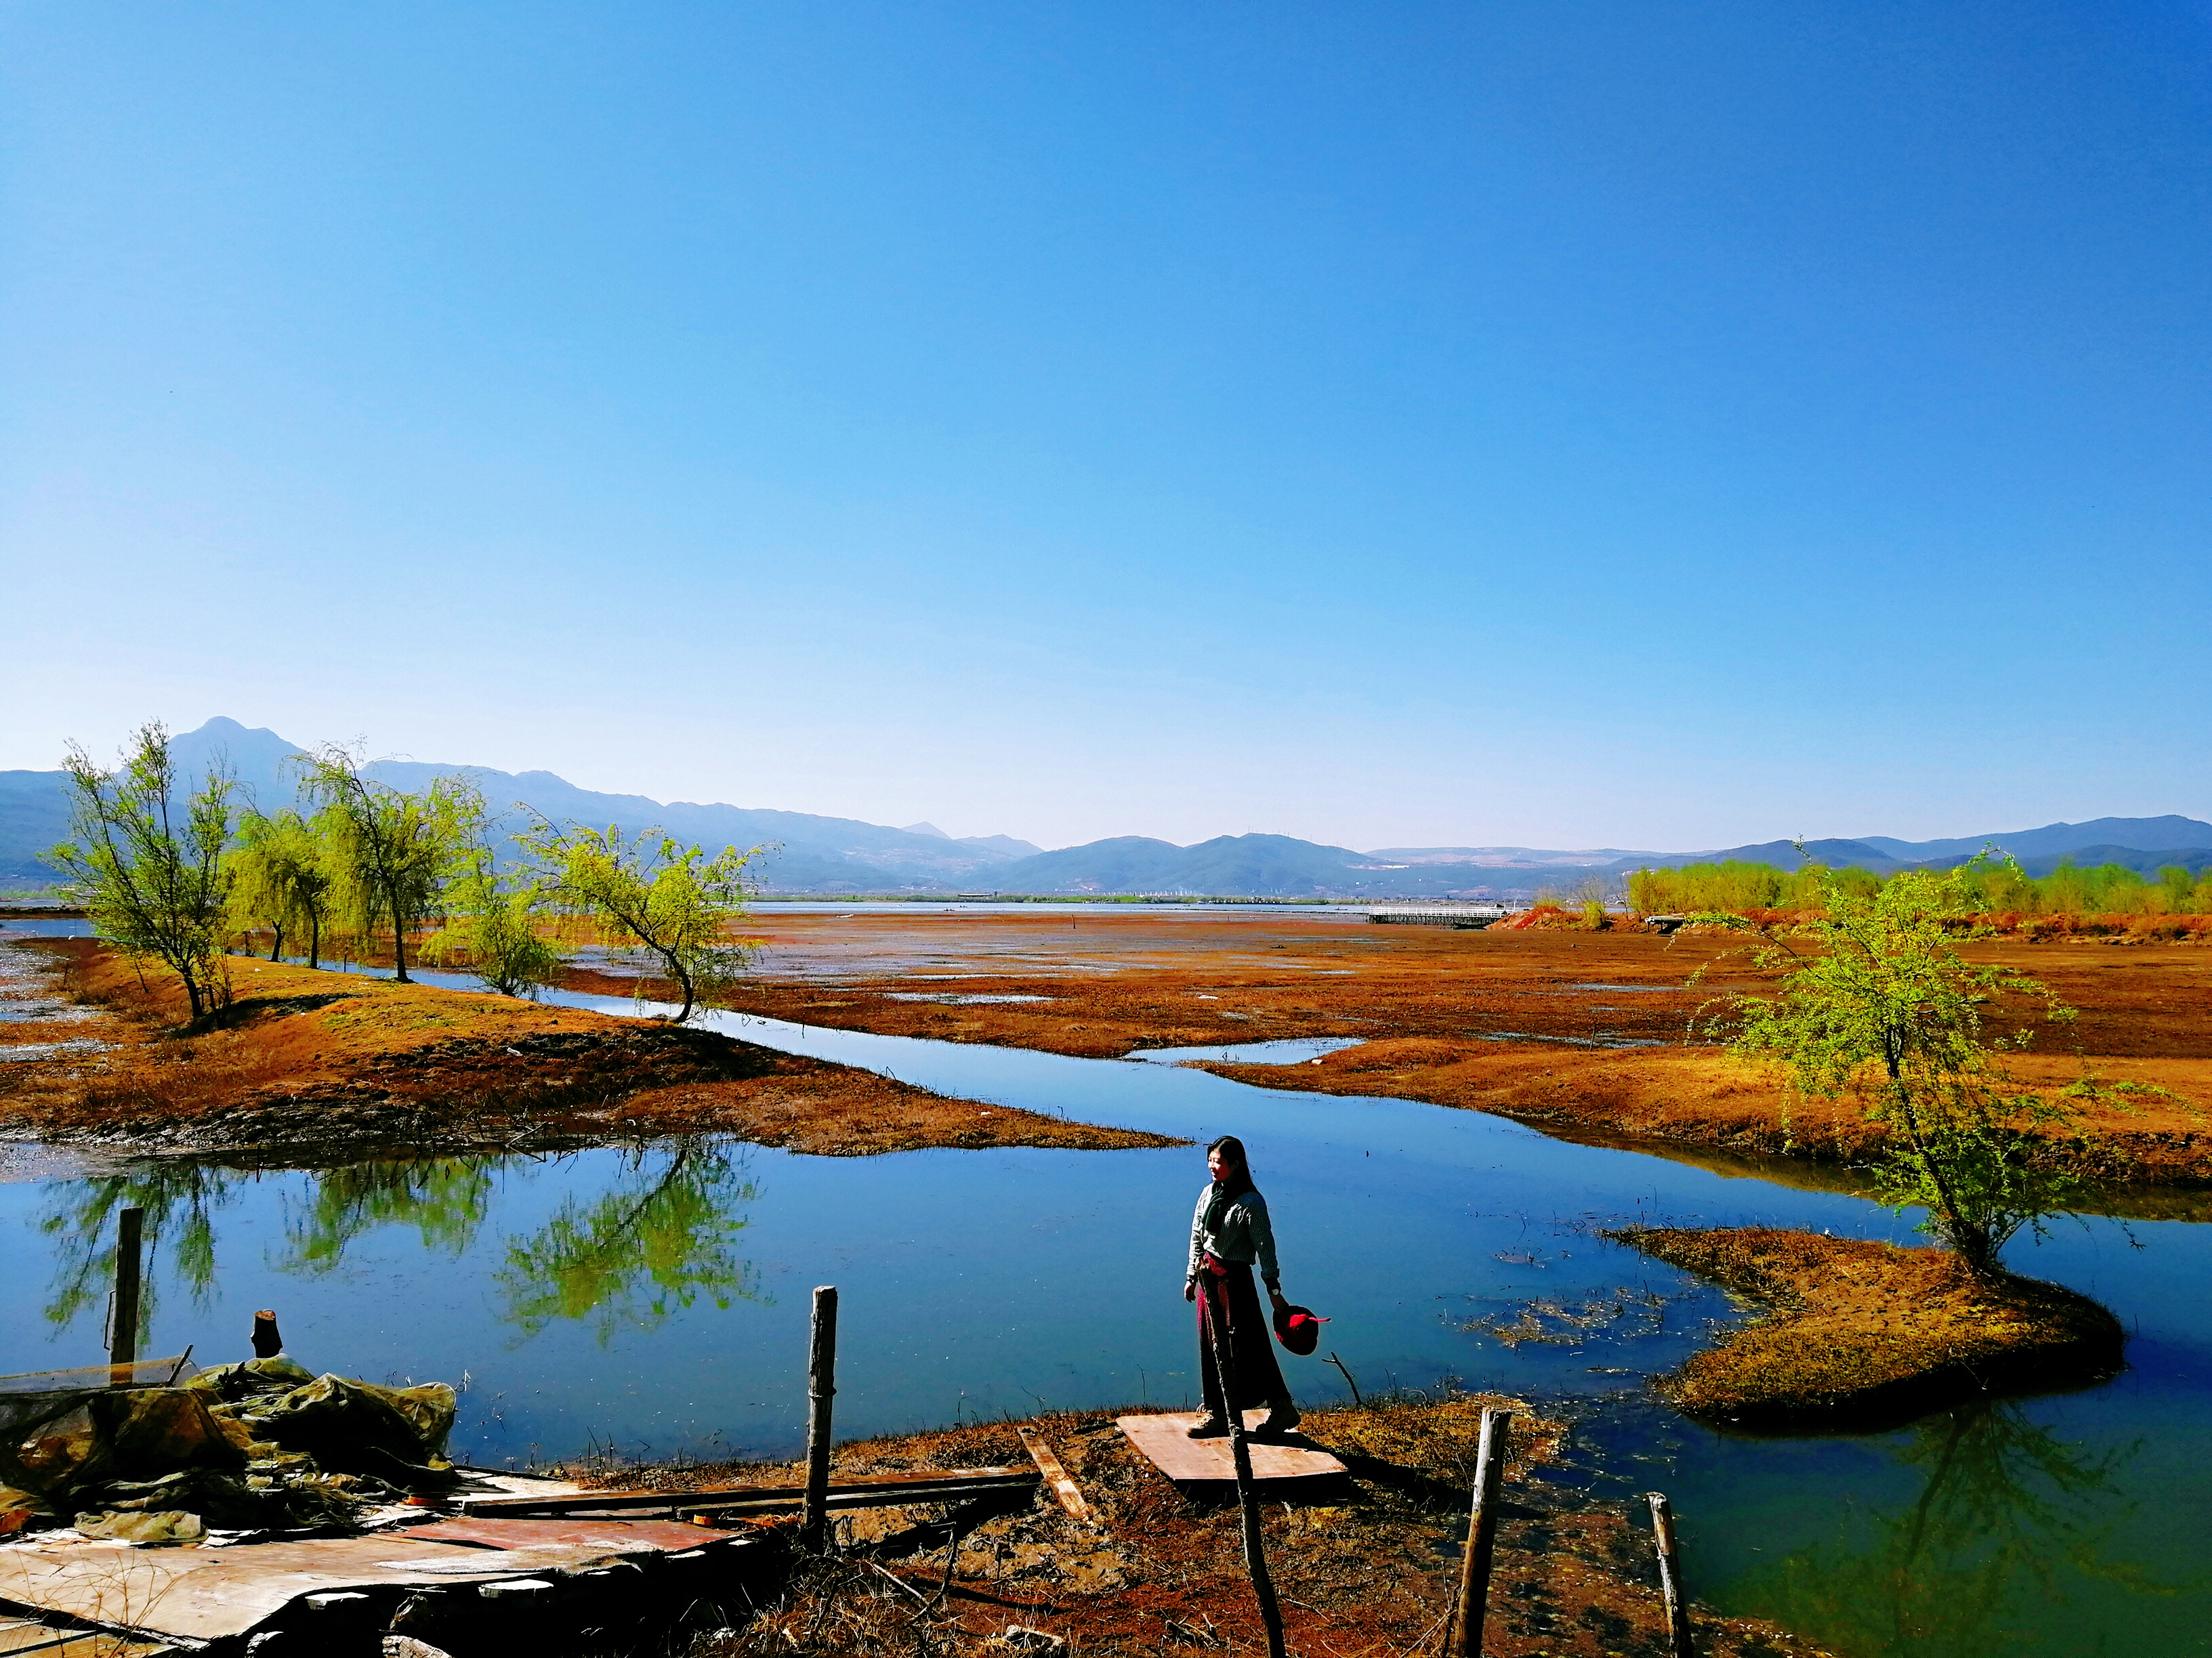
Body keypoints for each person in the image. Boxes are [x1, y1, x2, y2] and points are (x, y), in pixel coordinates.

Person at [1184, 1134, 1300, 1439]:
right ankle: (1216, 1411)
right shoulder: (1208, 1195)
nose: (1212, 1166)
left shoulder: (1251, 1203)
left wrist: (1273, 1291)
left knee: (1250, 1345)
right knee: (1210, 1345)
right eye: (1210, 1160)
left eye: (1218, 1161)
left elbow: (1266, 1248)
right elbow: (1198, 1236)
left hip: (1236, 1282)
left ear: (1235, 1164)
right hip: (1209, 1277)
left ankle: (1280, 1407)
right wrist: (1190, 1277)